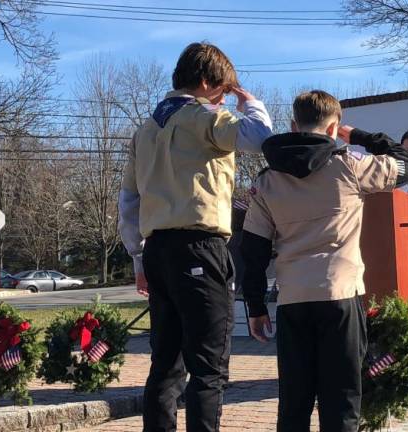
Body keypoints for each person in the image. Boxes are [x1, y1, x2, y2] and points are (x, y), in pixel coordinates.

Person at [239, 90, 408, 432]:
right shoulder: (351, 166)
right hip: (340, 295)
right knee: (341, 402)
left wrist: (256, 307)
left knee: (294, 402)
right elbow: (407, 164)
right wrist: (363, 137)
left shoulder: (266, 180)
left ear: (293, 125)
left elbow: (253, 250)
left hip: (293, 300)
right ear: (334, 128)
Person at [118, 42, 273, 432]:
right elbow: (259, 137)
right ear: (206, 83)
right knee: (208, 368)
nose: (225, 97)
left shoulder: (146, 129)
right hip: (200, 246)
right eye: (223, 90)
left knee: (165, 364)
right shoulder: (205, 117)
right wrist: (250, 102)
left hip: (157, 250)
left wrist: (137, 258)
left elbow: (129, 202)